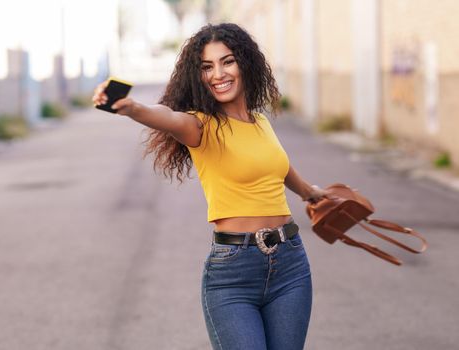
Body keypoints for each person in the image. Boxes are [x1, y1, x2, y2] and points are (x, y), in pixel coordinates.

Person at [92, 23, 327, 350]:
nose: (218, 73)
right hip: (234, 273)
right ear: (198, 75)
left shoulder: (259, 122)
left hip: (291, 264)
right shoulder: (199, 125)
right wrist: (133, 108)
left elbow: (278, 167)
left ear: (245, 63)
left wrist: (309, 192)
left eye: (227, 61)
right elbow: (166, 117)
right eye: (207, 67)